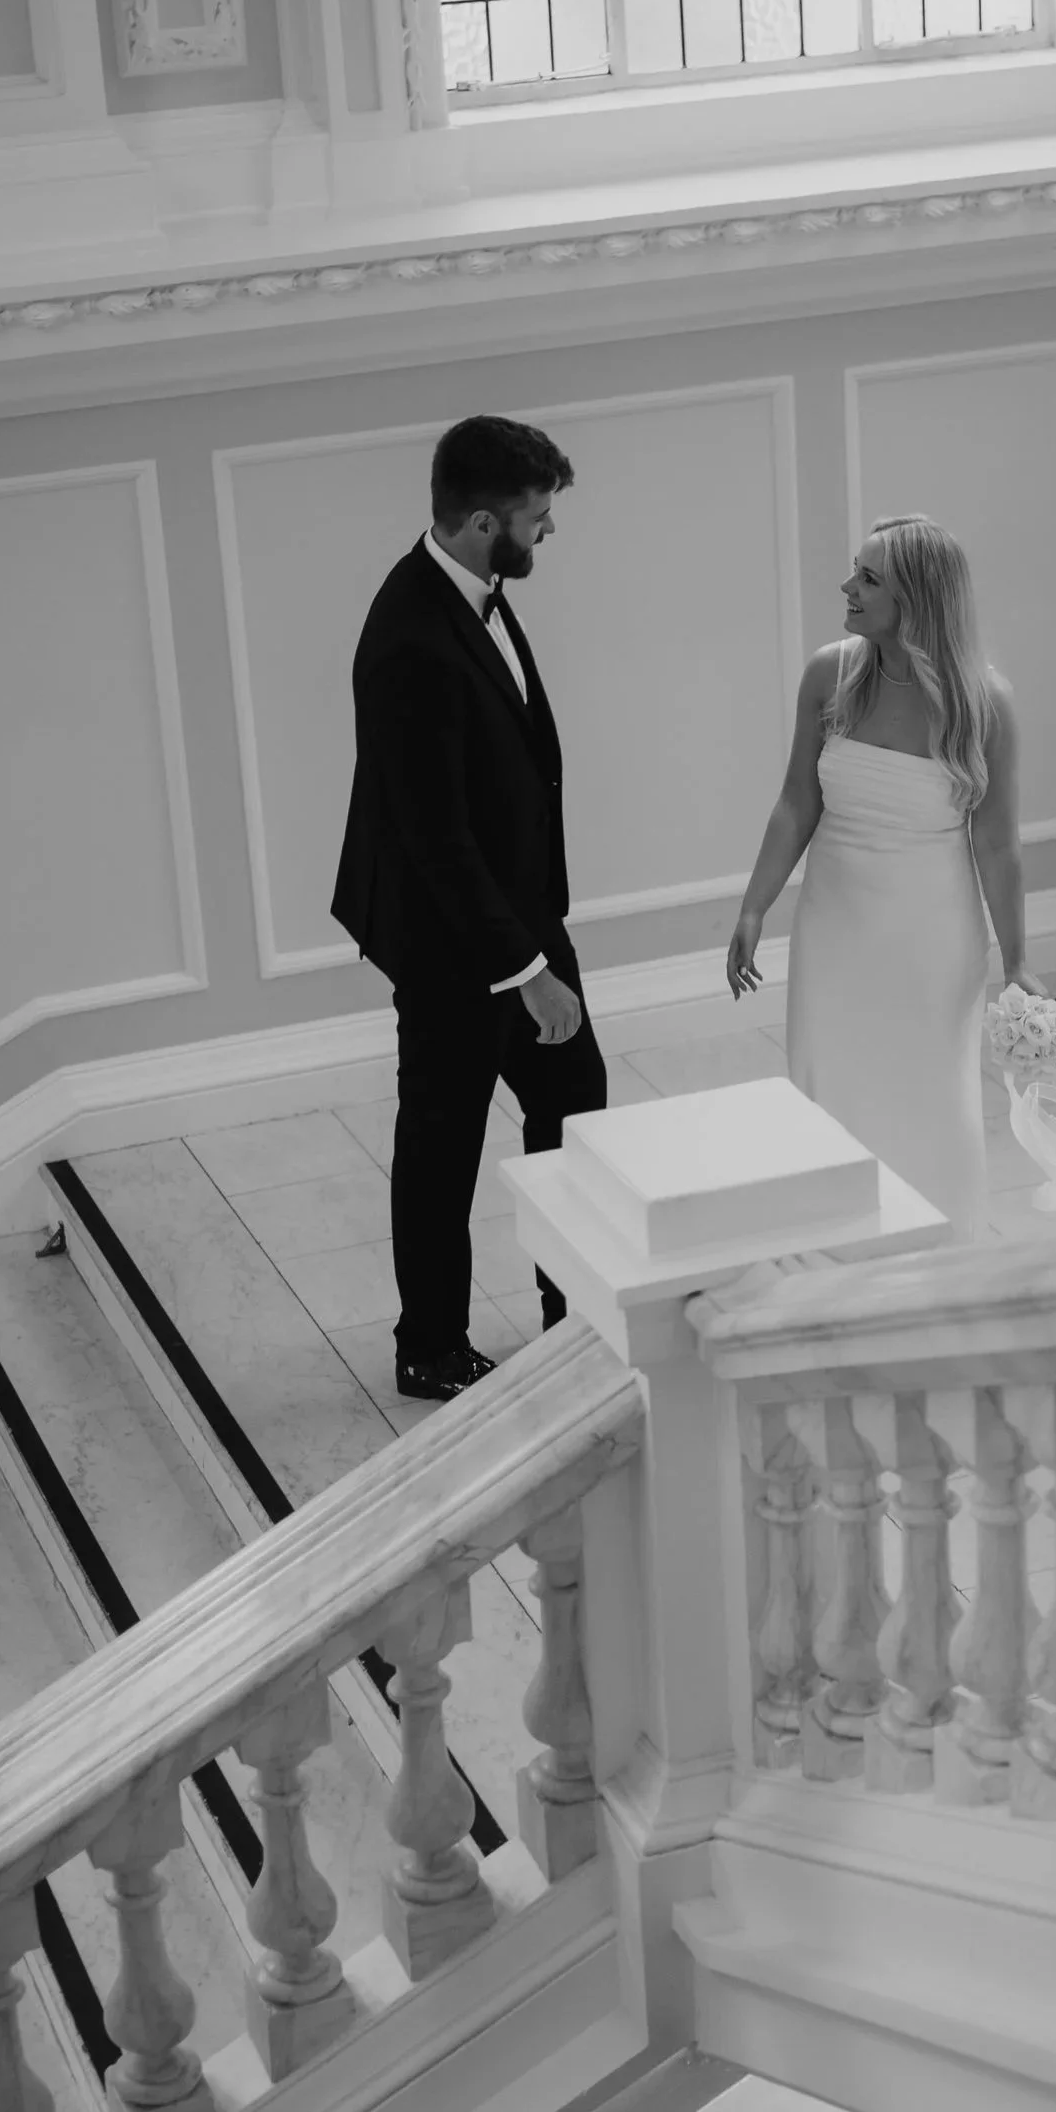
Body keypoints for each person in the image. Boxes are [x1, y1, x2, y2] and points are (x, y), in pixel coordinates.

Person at [331, 414, 607, 1400]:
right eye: (538, 521)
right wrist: (525, 972)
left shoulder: (473, 591)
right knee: (442, 1144)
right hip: (457, 940)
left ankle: (576, 1310)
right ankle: (430, 1347)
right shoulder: (410, 636)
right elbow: (432, 834)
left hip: (518, 915)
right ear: (485, 522)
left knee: (573, 1107)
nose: (544, 538)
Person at [726, 514, 1027, 1244]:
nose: (848, 586)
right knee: (829, 1084)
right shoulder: (831, 672)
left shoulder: (984, 704)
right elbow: (798, 800)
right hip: (835, 925)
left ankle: (938, 1248)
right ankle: (834, 1247)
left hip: (932, 934)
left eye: (868, 577)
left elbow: (996, 847)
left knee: (929, 1096)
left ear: (917, 597)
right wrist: (753, 908)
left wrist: (1019, 964)